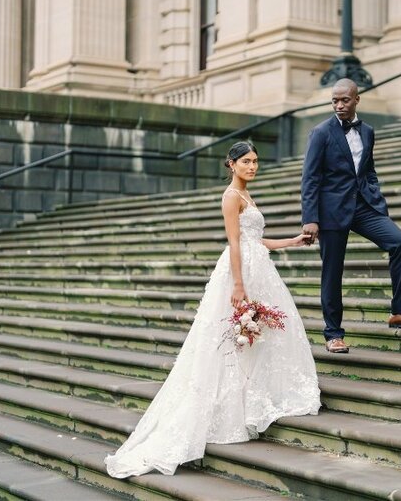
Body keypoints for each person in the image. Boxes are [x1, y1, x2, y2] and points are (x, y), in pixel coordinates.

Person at [105, 141, 320, 479]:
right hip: (239, 272)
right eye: (245, 162)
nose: (252, 166)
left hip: (258, 267)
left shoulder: (247, 195)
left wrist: (292, 241)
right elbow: (235, 242)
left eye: (255, 161)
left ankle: (251, 402)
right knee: (233, 339)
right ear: (230, 164)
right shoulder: (231, 197)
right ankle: (225, 410)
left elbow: (255, 241)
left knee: (258, 336)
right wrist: (238, 285)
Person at [301, 78, 401, 354]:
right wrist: (310, 218)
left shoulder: (368, 131)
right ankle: (333, 333)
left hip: (363, 207)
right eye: (334, 100)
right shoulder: (321, 132)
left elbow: (368, 169)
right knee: (332, 273)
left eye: (344, 100)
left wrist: (376, 199)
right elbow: (310, 179)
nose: (338, 105)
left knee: (400, 242)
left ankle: (400, 312)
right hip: (331, 212)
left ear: (356, 99)